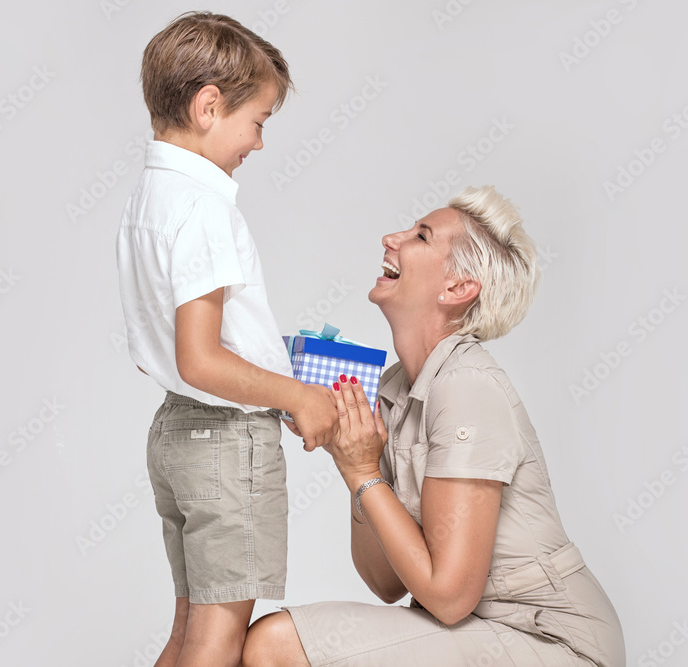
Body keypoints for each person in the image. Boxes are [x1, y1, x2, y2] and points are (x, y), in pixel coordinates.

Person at [242, 186, 626, 666]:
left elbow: (448, 597)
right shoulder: (395, 388)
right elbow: (385, 583)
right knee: (274, 643)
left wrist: (364, 472)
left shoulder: (467, 387)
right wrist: (352, 463)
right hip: (479, 630)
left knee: (275, 645)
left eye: (421, 236)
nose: (392, 238)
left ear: (458, 288)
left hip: (549, 640)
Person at [115, 12, 338, 667]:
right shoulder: (204, 207)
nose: (259, 143)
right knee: (218, 642)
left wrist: (266, 358)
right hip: (226, 444)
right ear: (209, 106)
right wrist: (298, 395)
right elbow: (201, 358)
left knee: (188, 632)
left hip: (175, 434)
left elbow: (159, 355)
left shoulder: (147, 200)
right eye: (258, 122)